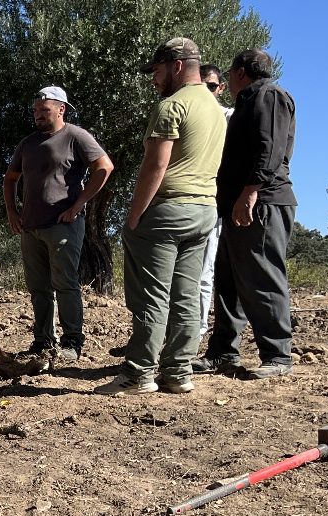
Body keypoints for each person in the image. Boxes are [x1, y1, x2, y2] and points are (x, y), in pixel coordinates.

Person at [99, 38, 226, 397]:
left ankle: (138, 374)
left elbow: (156, 165)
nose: (153, 80)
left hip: (167, 211)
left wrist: (134, 215)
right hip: (204, 210)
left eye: (156, 71)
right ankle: (178, 372)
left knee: (151, 297)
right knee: (187, 295)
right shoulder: (215, 108)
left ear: (176, 65)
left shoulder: (172, 106)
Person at [196, 48, 298, 380]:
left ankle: (278, 355)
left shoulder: (270, 96)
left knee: (263, 277)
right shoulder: (248, 102)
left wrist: (250, 192)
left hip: (262, 203)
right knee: (228, 281)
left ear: (240, 72)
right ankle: (222, 353)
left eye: (229, 72)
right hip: (238, 204)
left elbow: (270, 149)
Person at [2, 86, 113, 366]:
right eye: (35, 111)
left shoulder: (75, 136)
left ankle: (72, 342)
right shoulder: (27, 144)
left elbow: (104, 167)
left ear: (61, 109)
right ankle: (43, 341)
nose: (38, 115)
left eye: (44, 110)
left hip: (63, 225)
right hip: (30, 227)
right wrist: (12, 212)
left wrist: (79, 204)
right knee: (38, 288)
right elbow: (10, 178)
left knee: (65, 283)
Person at [194, 65, 235, 337]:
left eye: (210, 86)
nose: (205, 91)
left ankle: (196, 330)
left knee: (204, 271)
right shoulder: (186, 113)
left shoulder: (229, 117)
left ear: (221, 88)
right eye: (200, 85)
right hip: (187, 201)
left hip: (214, 202)